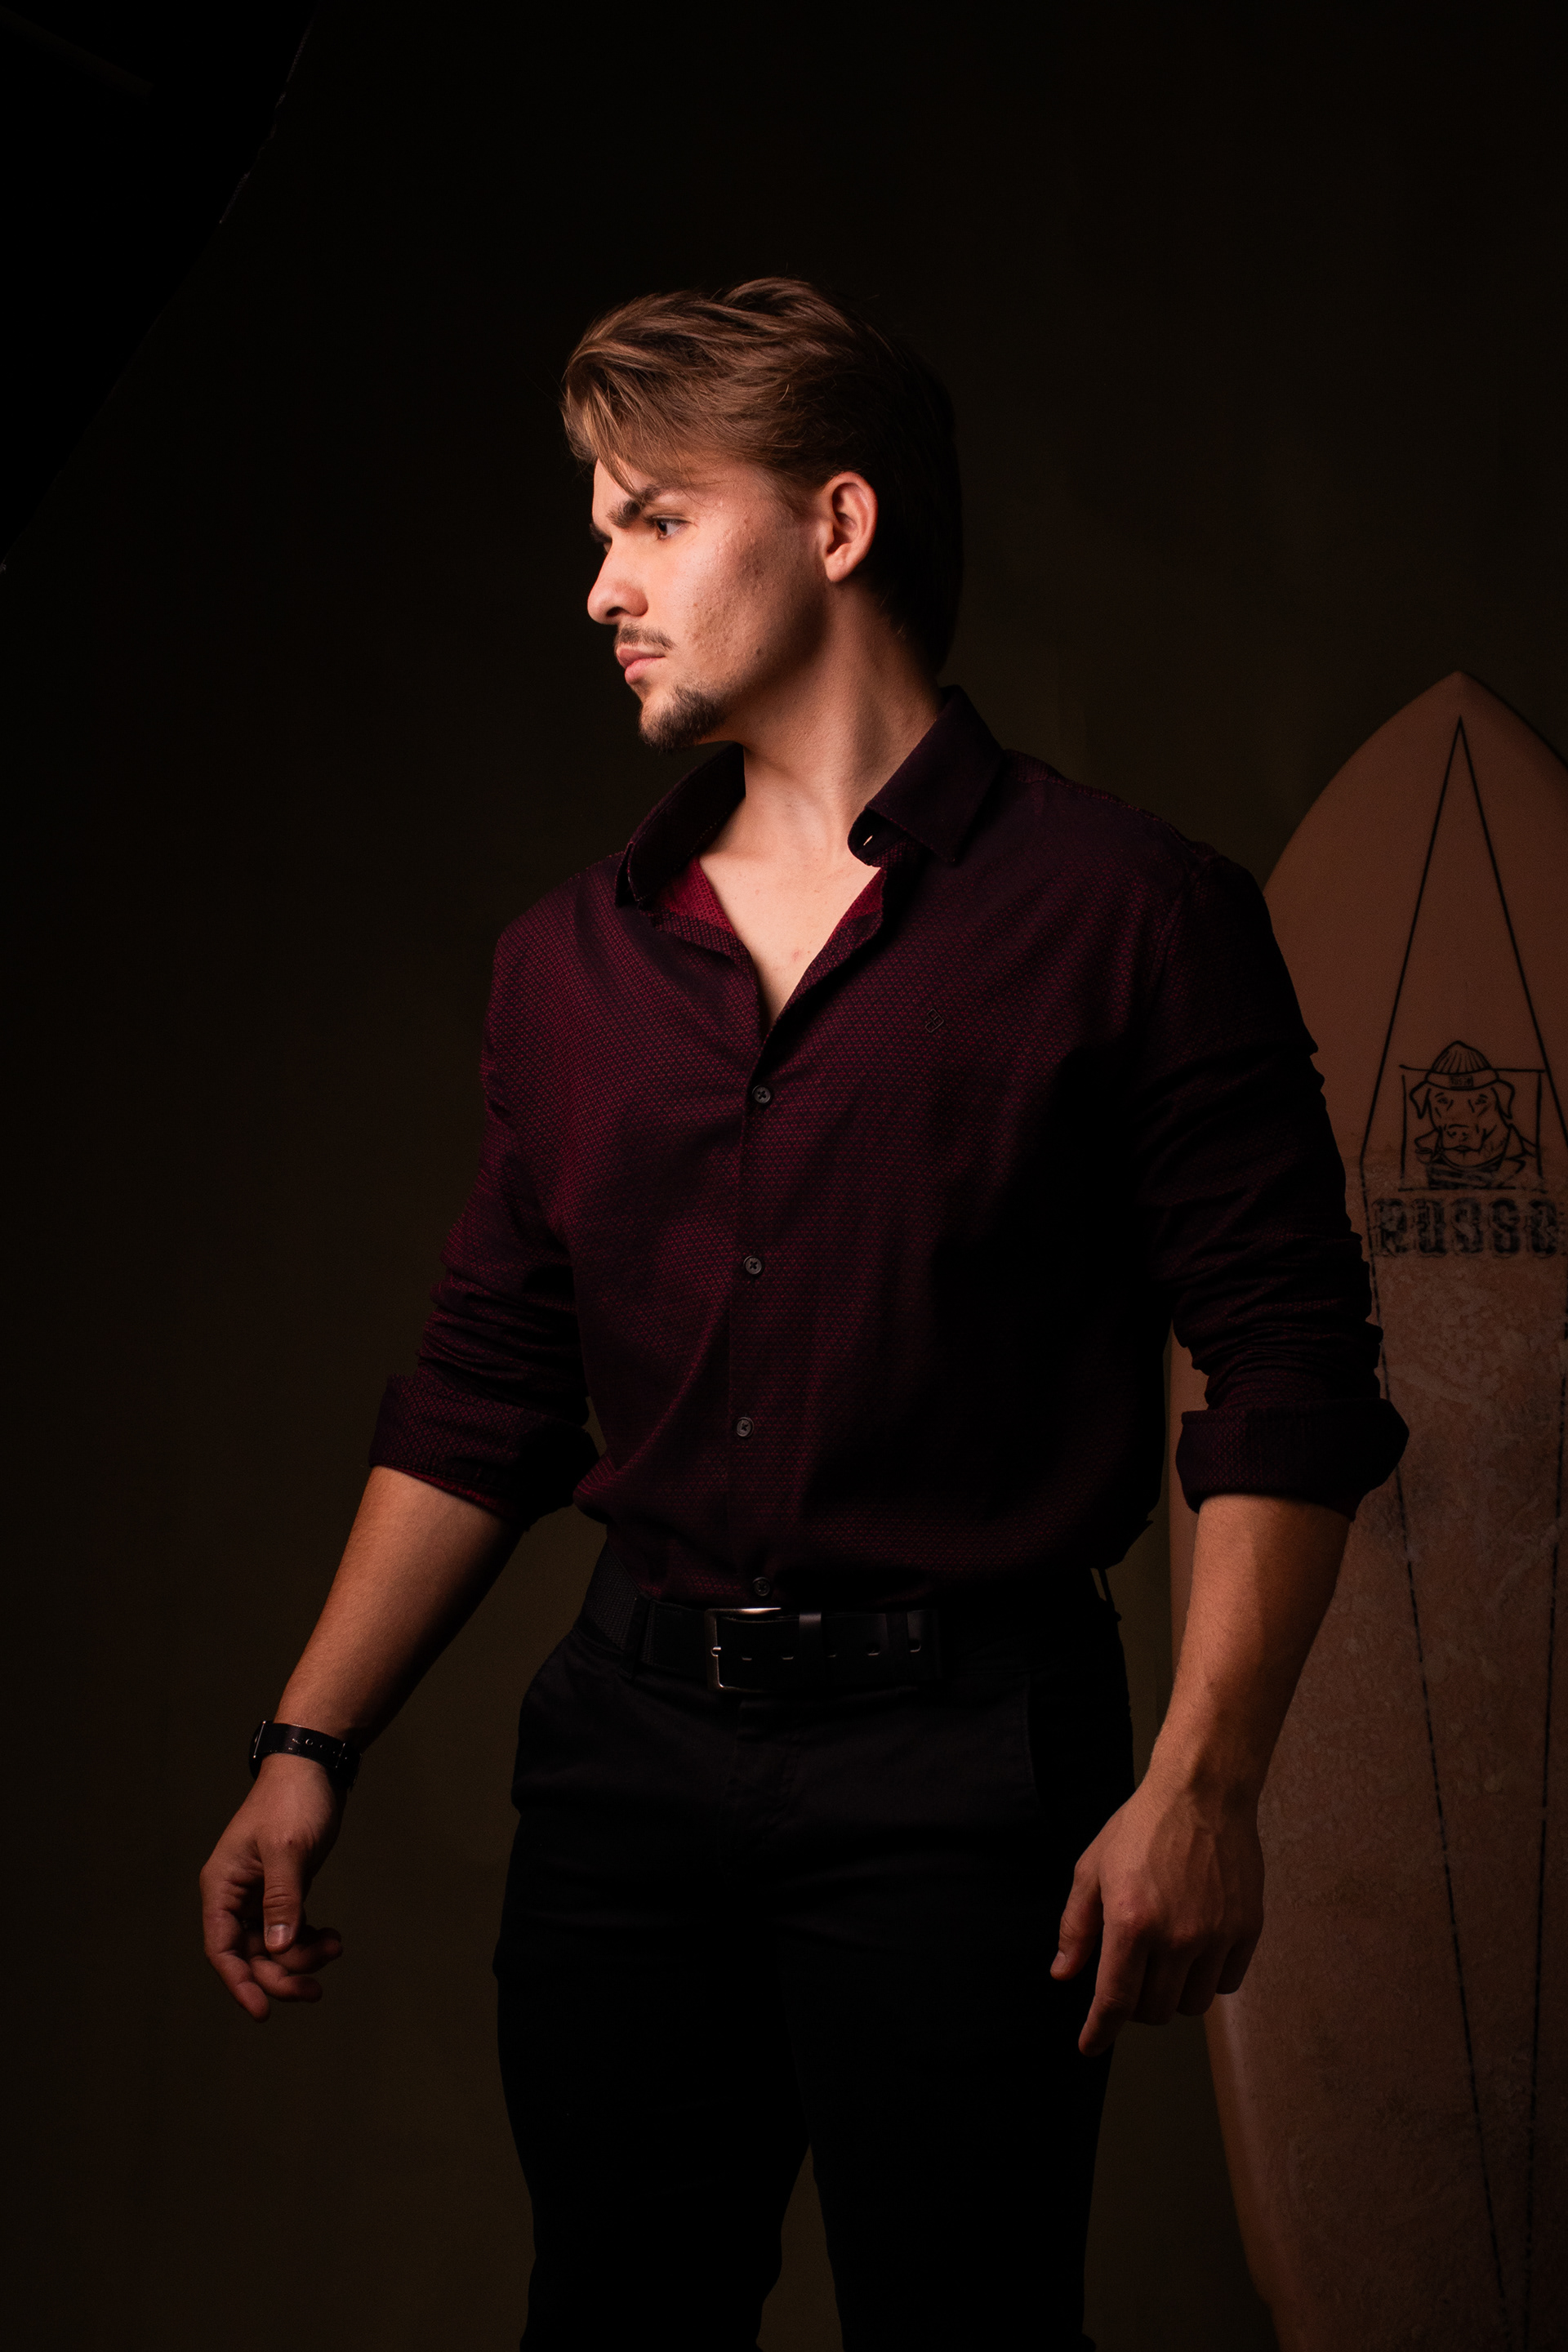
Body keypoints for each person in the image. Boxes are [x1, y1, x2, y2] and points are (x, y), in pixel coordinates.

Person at [199, 278, 1406, 2350]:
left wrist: (1207, 1784)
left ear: (838, 524)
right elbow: (488, 1383)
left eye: (656, 519)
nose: (603, 586)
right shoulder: (565, 967)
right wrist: (309, 1742)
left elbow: (1290, 1360)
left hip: (973, 1774)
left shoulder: (1133, 917)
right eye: (602, 529)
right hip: (627, 1767)